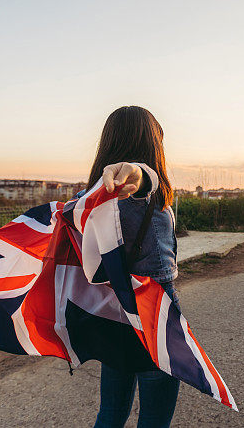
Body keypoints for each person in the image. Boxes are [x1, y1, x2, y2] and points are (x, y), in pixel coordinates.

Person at [80, 106, 181, 428]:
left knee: (110, 413)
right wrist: (138, 170)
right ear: (153, 143)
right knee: (154, 417)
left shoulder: (92, 198)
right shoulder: (138, 190)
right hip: (153, 310)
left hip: (114, 311)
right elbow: (140, 176)